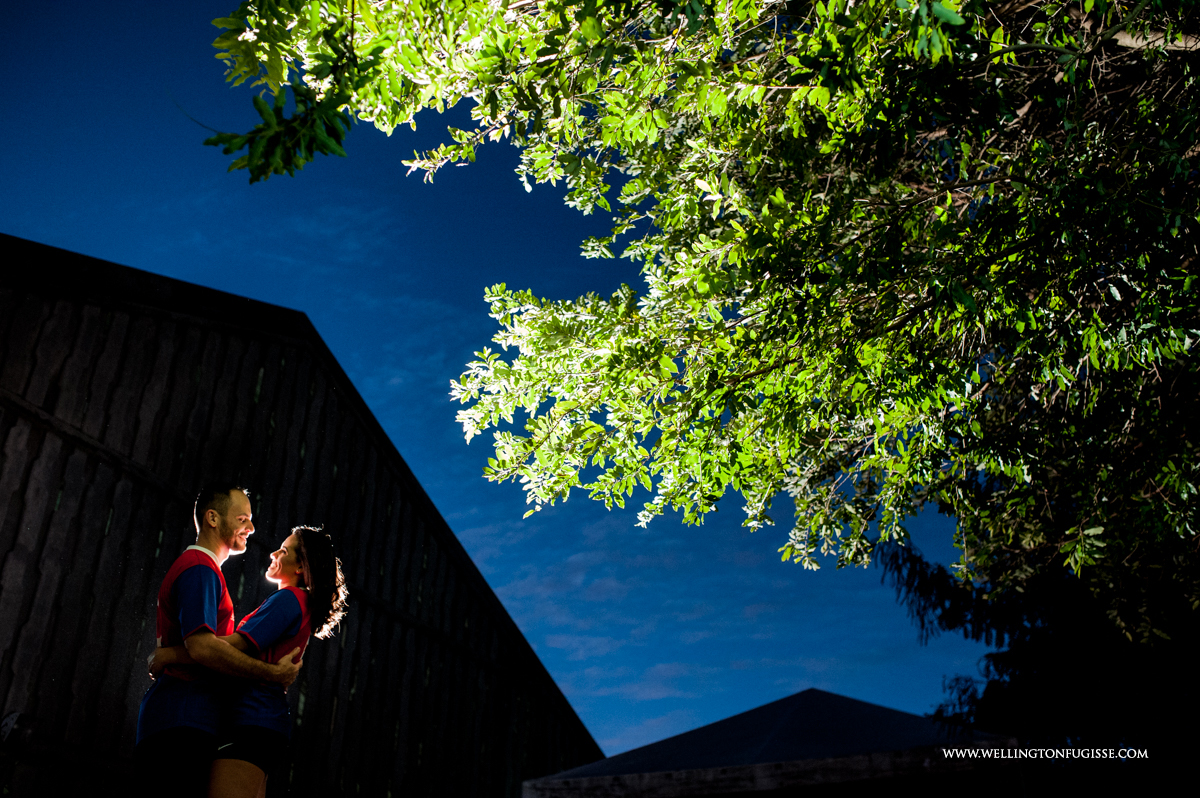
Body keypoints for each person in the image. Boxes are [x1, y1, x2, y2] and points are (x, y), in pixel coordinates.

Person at [152, 525, 348, 798]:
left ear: (301, 567)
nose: (273, 553)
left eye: (283, 550)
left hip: (252, 719)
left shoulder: (289, 599)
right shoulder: (299, 603)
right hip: (260, 722)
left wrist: (170, 655)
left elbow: (237, 646)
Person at [136, 484, 302, 798]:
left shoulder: (203, 569)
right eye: (242, 518)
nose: (251, 528)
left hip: (181, 718)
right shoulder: (200, 569)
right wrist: (272, 674)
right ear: (213, 518)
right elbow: (201, 647)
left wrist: (168, 654)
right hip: (182, 719)